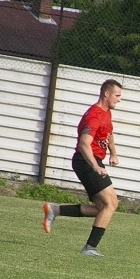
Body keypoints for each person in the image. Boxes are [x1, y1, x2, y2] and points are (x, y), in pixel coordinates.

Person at [42, 79, 123, 256]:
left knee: (103, 208)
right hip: (86, 161)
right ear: (106, 93)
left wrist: (113, 153)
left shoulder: (106, 113)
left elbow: (108, 135)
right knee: (112, 203)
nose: (119, 99)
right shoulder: (94, 115)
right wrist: (94, 166)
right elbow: (84, 143)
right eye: (117, 95)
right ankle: (90, 248)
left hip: (93, 161)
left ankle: (55, 210)